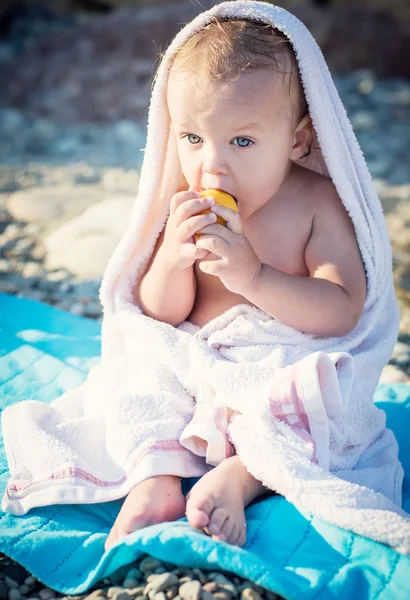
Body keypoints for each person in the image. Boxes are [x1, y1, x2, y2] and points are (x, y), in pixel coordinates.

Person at [104, 16, 367, 551]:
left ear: (297, 141)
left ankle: (244, 474)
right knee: (136, 372)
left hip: (274, 359)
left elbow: (343, 310)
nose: (212, 165)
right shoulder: (186, 203)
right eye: (193, 138)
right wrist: (174, 264)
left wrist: (255, 277)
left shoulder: (315, 205)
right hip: (197, 360)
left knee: (317, 393)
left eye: (242, 140)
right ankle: (156, 478)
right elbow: (160, 315)